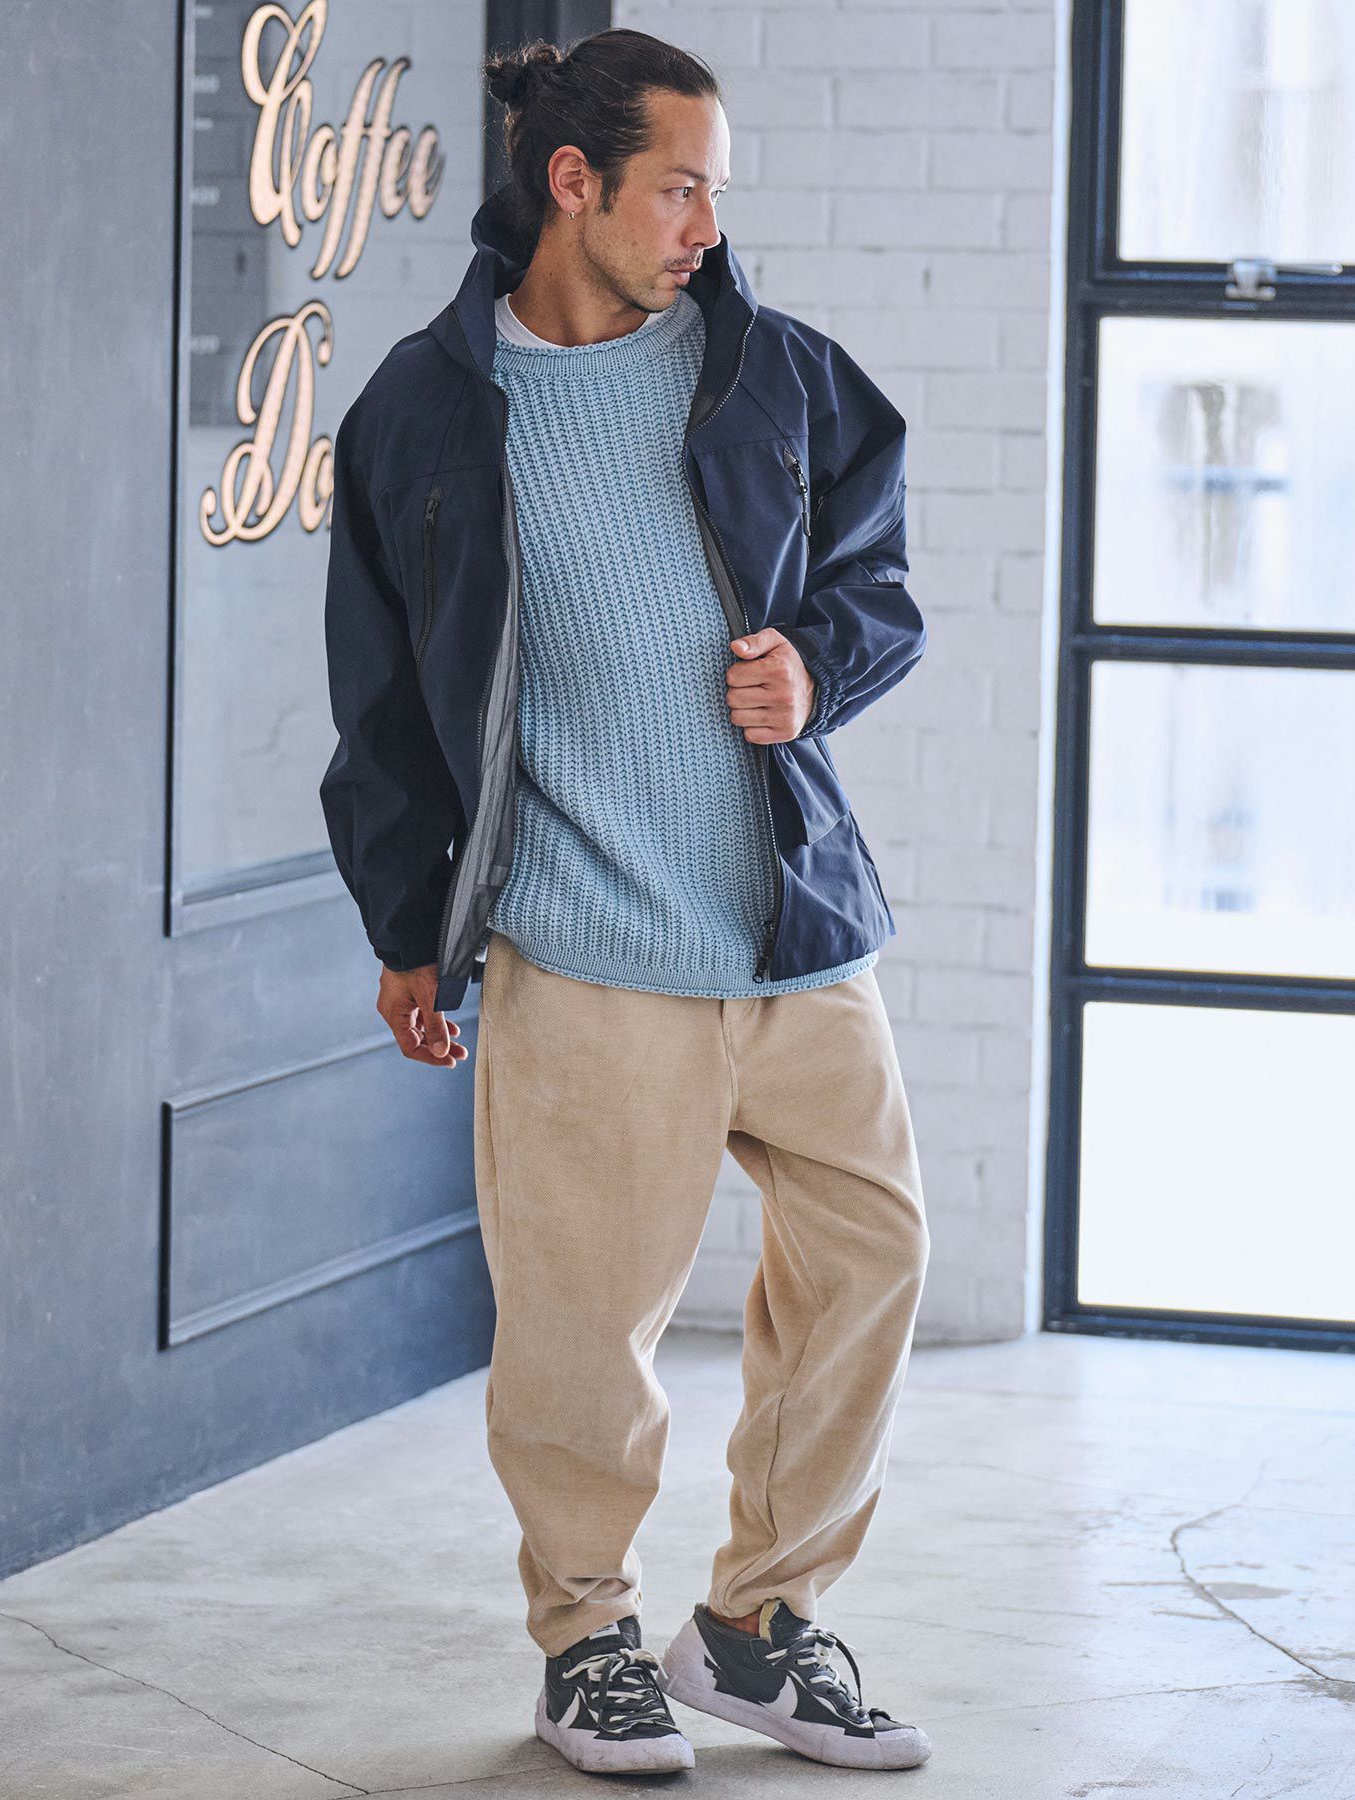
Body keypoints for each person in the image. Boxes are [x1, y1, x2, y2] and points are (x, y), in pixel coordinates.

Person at [320, 25, 933, 1778]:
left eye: (715, 193)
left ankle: (757, 1626)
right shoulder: (427, 413)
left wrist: (816, 667)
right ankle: (586, 1638)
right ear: (571, 182)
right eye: (679, 189)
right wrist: (405, 928)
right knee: (585, 1335)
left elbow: (878, 583)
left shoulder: (772, 372)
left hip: (796, 928)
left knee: (873, 1261)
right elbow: (384, 703)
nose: (706, 227)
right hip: (586, 949)